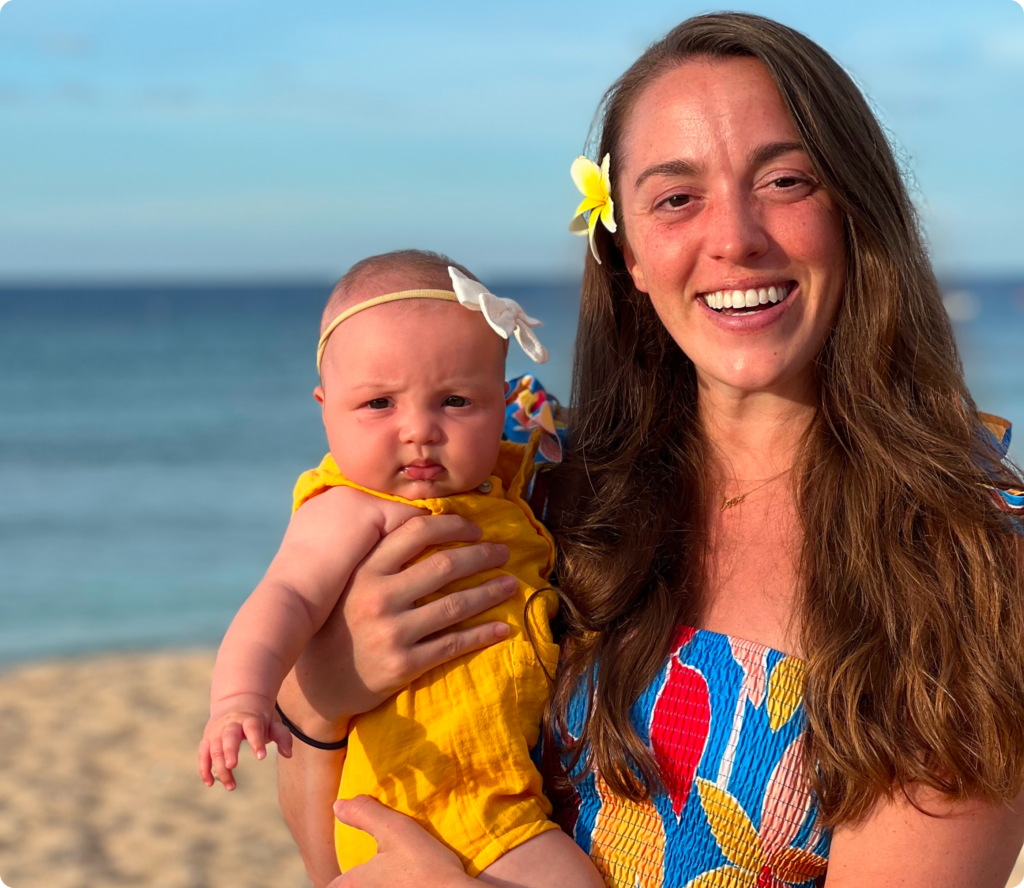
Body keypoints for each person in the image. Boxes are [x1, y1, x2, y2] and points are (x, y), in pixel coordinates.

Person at [277, 13, 1024, 888]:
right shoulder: (530, 472)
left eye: (785, 181)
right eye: (676, 197)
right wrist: (317, 698)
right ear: (627, 250)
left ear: (858, 211)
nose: (735, 237)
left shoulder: (971, 561)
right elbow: (331, 841)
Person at [198, 250, 601, 885]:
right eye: (379, 404)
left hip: (493, 792)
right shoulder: (351, 509)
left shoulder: (508, 482)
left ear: (502, 404)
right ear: (325, 408)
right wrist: (240, 699)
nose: (419, 430)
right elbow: (284, 600)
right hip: (431, 804)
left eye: (456, 401)